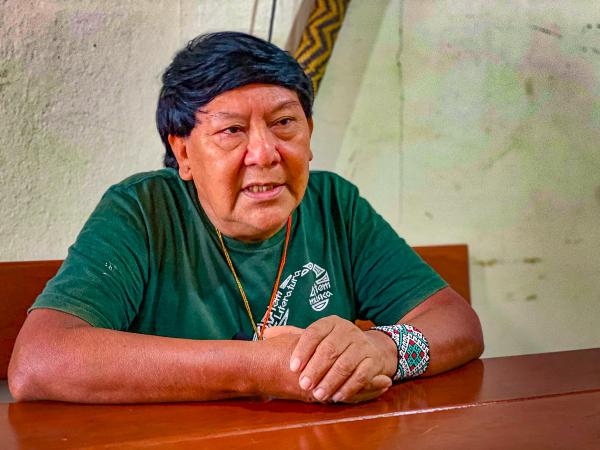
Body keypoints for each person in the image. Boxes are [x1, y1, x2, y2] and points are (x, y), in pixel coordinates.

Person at [8, 31, 483, 404]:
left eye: (284, 123)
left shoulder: (334, 205)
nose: (265, 153)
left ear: (309, 133)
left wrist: (384, 349)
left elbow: (456, 321)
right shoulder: (141, 211)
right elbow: (39, 360)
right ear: (183, 153)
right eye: (232, 130)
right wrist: (260, 367)